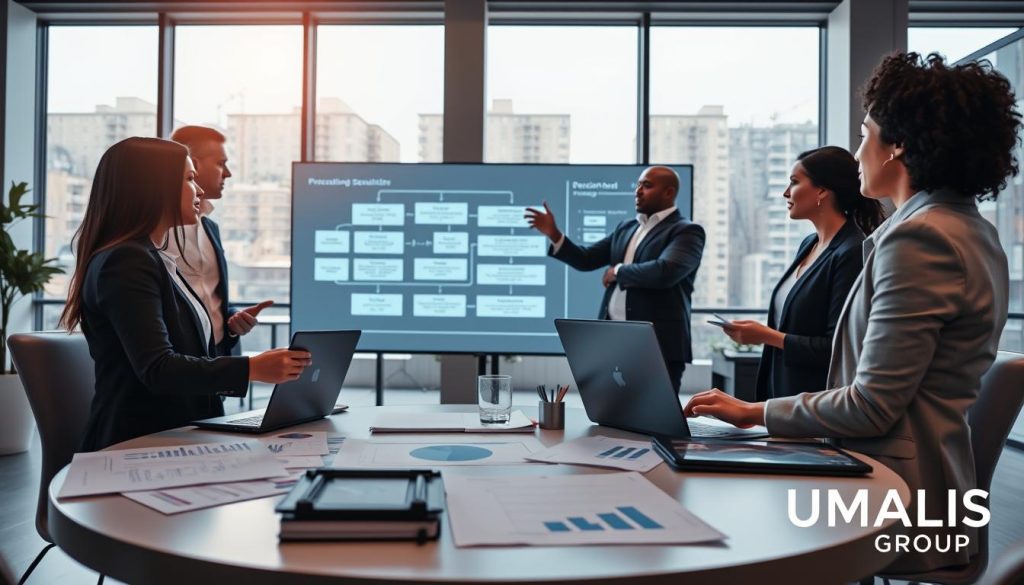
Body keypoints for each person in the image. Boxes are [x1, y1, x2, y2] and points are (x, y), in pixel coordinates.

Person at [684, 52, 1016, 573]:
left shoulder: (922, 237)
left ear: (898, 144)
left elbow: (871, 407)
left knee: (716, 530)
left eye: (865, 133)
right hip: (912, 484)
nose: (859, 151)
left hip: (896, 502)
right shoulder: (967, 228)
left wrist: (752, 414)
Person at [60, 137, 312, 451]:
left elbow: (183, 345)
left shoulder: (154, 258)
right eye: (190, 179)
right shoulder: (126, 262)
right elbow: (158, 368)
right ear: (154, 187)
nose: (201, 190)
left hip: (181, 435)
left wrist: (231, 334)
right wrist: (252, 368)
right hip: (142, 445)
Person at [722, 146, 884, 401]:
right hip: (784, 398)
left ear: (822, 190)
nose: (785, 193)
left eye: (794, 183)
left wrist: (766, 335)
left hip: (815, 405)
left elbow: (837, 347)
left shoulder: (851, 252)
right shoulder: (809, 244)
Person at [525, 166, 705, 392]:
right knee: (613, 414)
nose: (638, 191)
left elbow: (665, 272)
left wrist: (618, 271)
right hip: (614, 343)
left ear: (669, 193)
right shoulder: (627, 228)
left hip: (657, 346)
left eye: (647, 185)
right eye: (638, 185)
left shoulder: (687, 231)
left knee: (654, 420)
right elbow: (586, 259)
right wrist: (554, 234)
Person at [168, 125, 271, 357]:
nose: (228, 173)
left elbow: (212, 299)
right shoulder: (157, 233)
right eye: (220, 163)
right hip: (177, 367)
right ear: (194, 163)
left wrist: (233, 319)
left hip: (218, 361)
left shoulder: (210, 228)